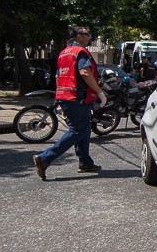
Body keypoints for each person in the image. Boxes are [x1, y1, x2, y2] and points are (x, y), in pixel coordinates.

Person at [32, 26, 108, 180]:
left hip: (66, 95)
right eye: (86, 34)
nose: (89, 37)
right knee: (77, 131)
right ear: (78, 36)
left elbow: (58, 75)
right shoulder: (80, 52)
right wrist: (100, 92)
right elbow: (84, 72)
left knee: (84, 129)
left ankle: (85, 162)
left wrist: (60, 95)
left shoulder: (64, 52)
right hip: (77, 97)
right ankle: (45, 158)